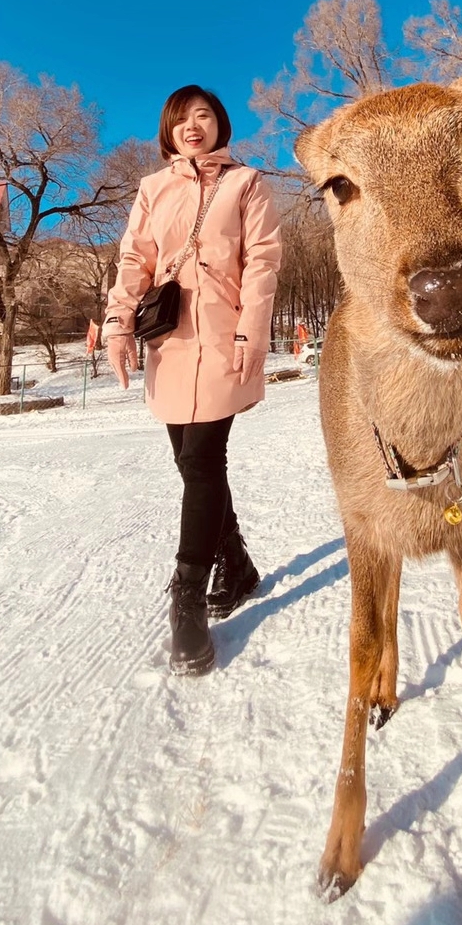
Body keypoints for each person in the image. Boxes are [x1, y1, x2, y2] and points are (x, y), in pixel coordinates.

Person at [103, 86, 282, 676]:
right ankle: (236, 562)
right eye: (181, 119)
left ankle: (187, 596)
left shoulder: (247, 183)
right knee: (189, 463)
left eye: (202, 115)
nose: (192, 126)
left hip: (225, 337)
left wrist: (251, 333)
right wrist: (118, 327)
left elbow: (263, 261)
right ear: (168, 132)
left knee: (204, 461)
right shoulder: (153, 189)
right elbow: (135, 261)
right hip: (170, 343)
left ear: (219, 123)